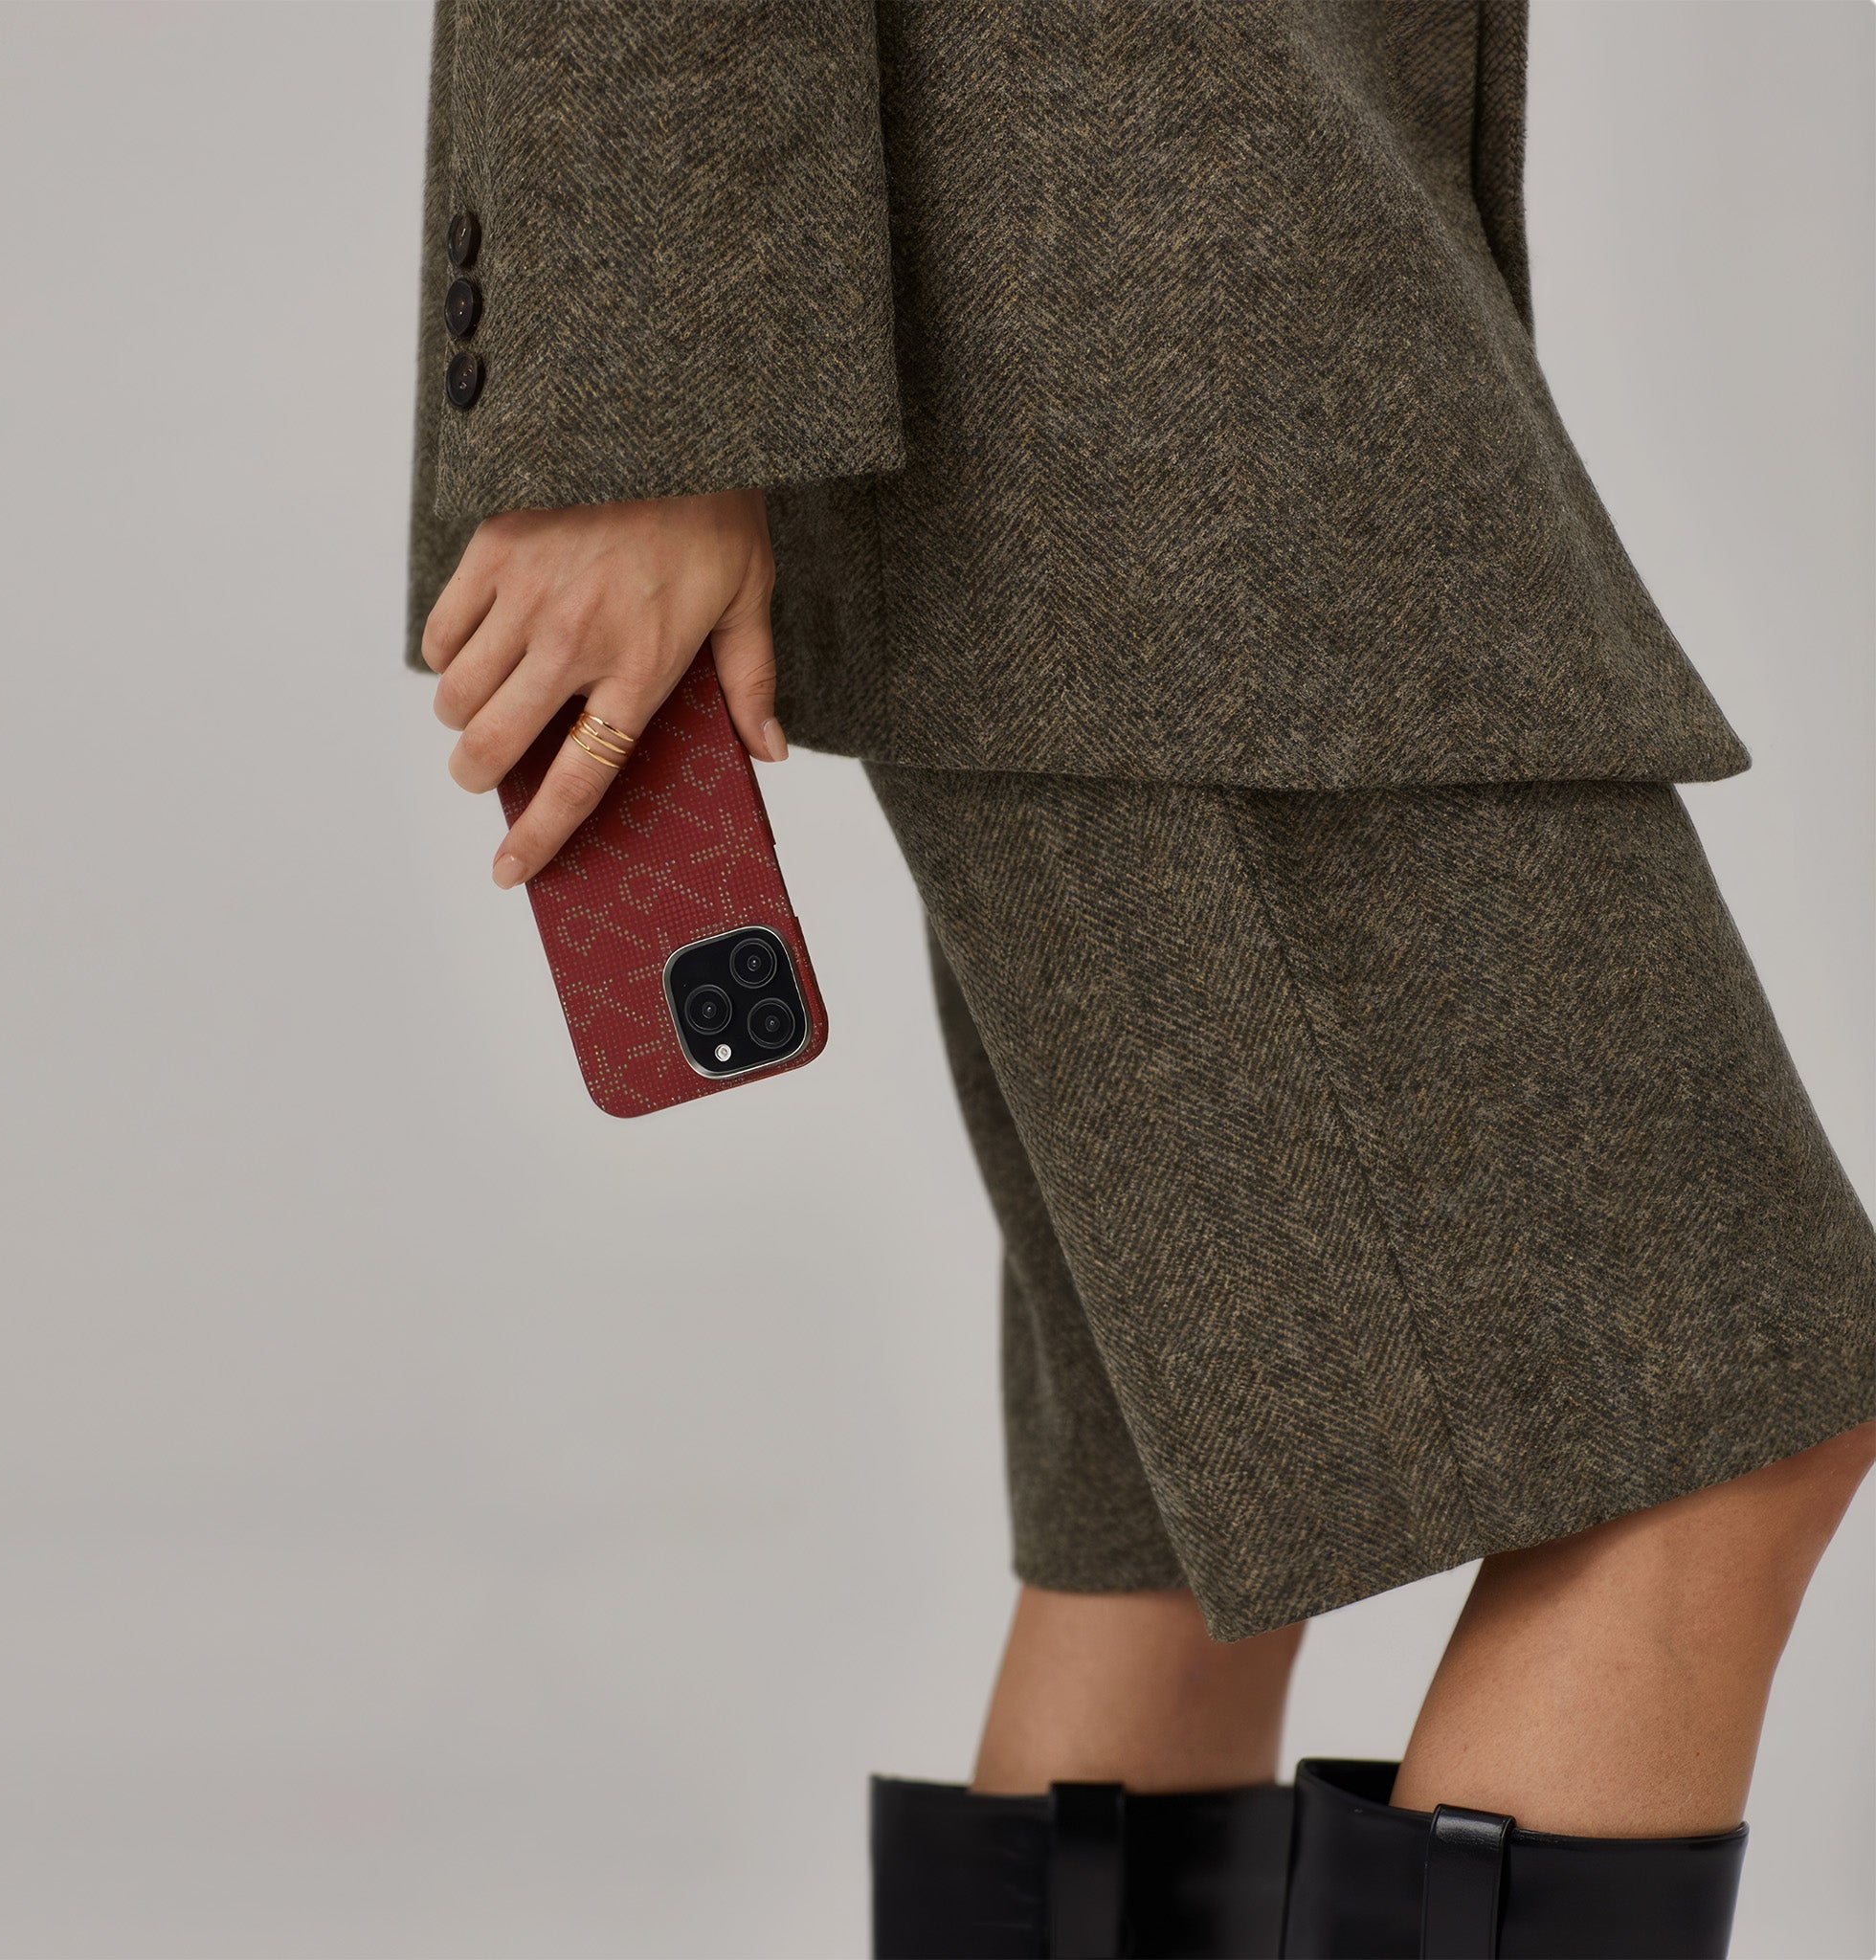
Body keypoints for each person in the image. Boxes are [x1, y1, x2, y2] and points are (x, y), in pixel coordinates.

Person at [403, 7, 1876, 1955]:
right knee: (1709, 1429)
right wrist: (638, 406)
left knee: (1163, 1525)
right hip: (1130, 362)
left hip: (1189, 305)